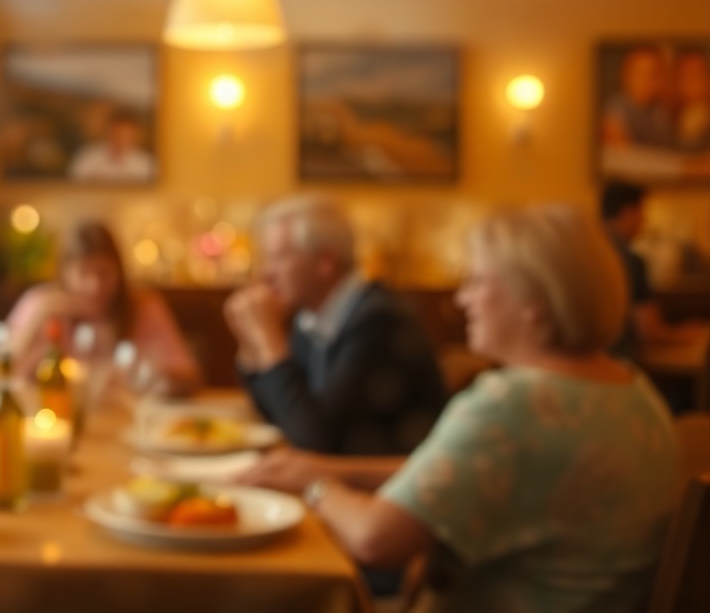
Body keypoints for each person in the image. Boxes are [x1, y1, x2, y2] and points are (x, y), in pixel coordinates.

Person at [236, 204, 678, 613]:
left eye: (478, 281)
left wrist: (317, 486)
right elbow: (453, 472)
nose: (461, 298)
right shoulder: (636, 391)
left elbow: (375, 540)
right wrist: (332, 468)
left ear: (534, 303)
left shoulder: (512, 403)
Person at [226, 195, 446, 456]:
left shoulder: (379, 322)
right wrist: (251, 342)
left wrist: (269, 340)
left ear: (325, 263)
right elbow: (277, 414)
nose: (267, 274)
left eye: (279, 258)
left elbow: (316, 441)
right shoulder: (311, 317)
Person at [5, 221, 201, 397]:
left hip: (130, 425)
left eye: (104, 272)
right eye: (83, 273)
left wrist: (162, 378)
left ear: (119, 271)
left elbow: (189, 376)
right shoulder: (41, 304)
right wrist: (35, 323)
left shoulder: (144, 307)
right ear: (64, 272)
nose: (95, 285)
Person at [601, 181, 707, 411]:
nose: (644, 221)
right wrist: (689, 333)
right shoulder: (631, 259)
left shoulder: (580, 249)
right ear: (629, 212)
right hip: (619, 371)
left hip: (574, 367)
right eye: (642, 213)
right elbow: (650, 331)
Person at [603, 44, 675, 149]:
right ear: (626, 76)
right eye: (639, 75)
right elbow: (623, 151)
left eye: (652, 75)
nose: (645, 82)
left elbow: (668, 148)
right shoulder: (615, 108)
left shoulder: (659, 110)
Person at [68, 109, 156, 182]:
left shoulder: (146, 164)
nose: (120, 138)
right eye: (117, 132)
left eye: (126, 134)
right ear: (107, 131)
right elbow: (73, 187)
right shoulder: (87, 156)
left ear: (134, 135)